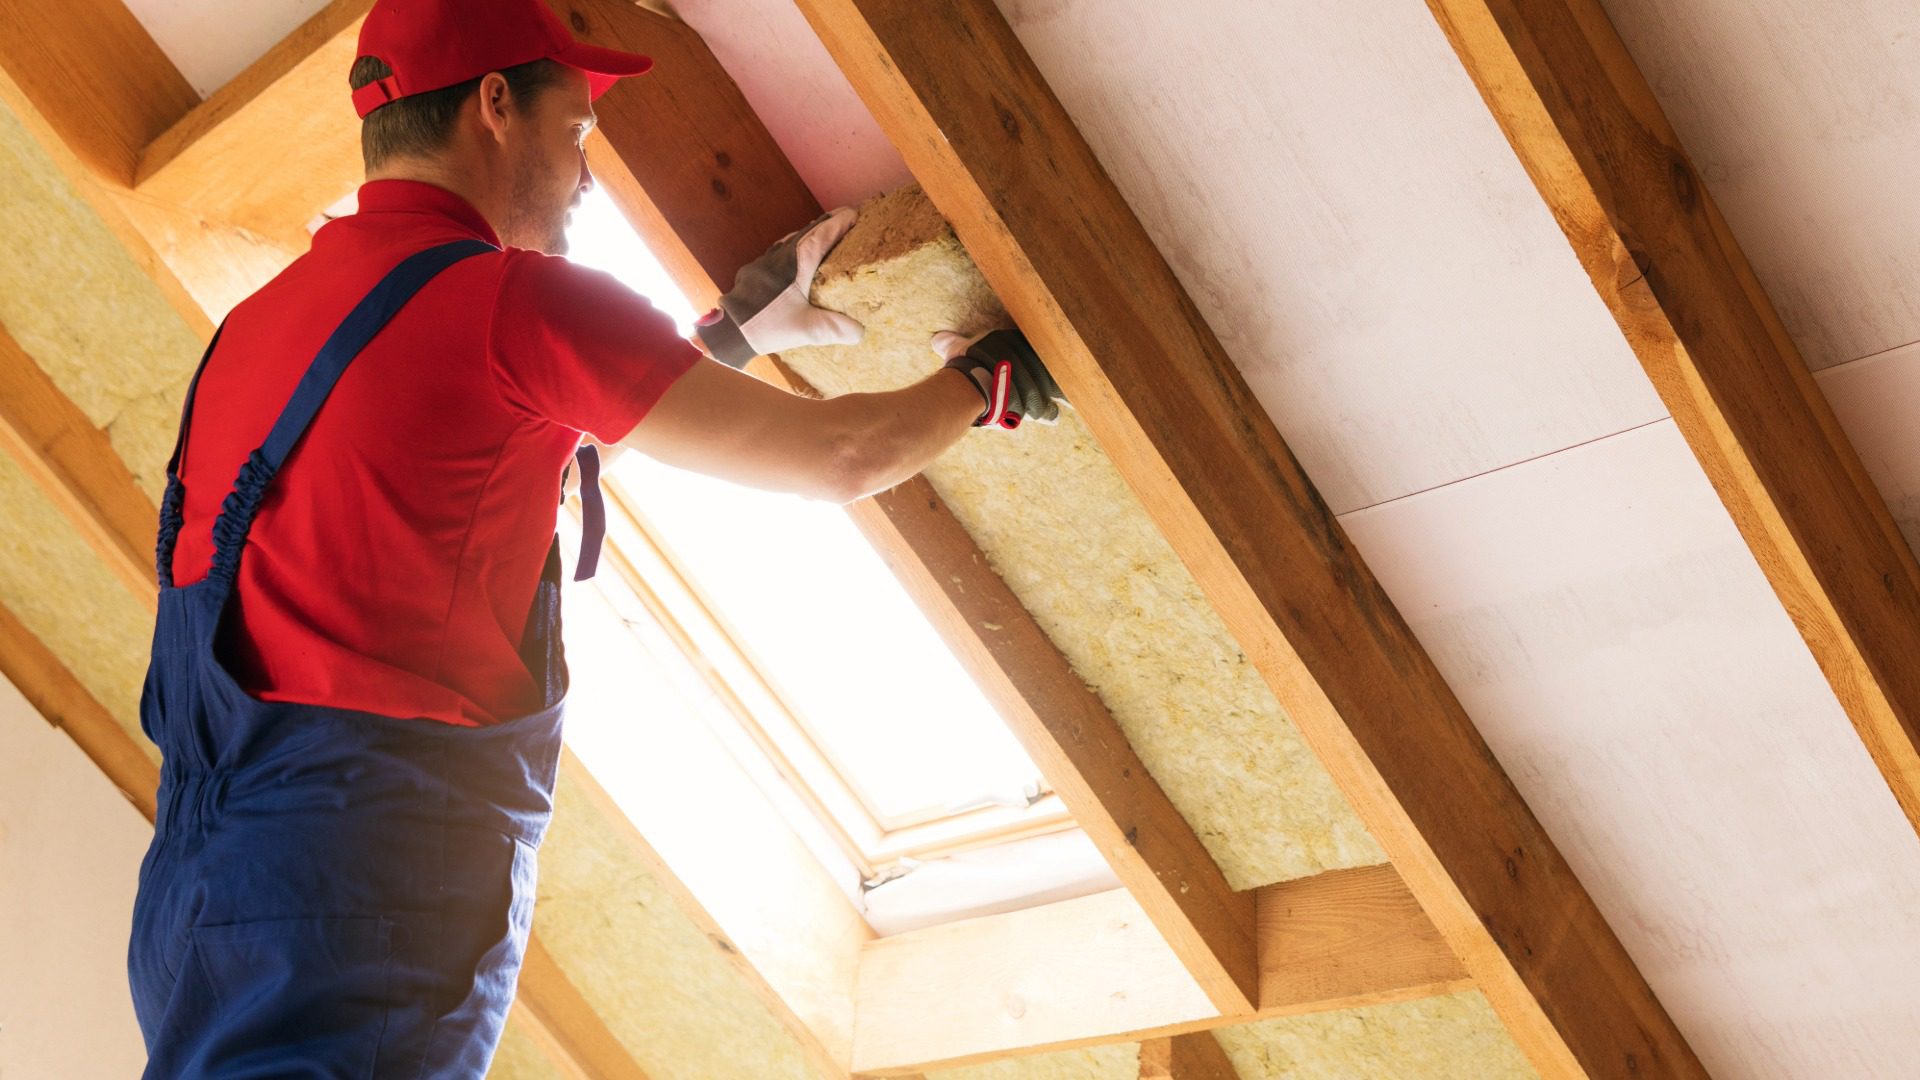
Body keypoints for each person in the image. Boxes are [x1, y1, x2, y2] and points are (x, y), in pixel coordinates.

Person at [123, 0, 1065, 1074]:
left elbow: (478, 480)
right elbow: (839, 458)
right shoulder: (512, 303)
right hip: (359, 893)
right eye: (574, 134)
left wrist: (731, 338)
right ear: (493, 107)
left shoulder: (263, 322)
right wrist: (988, 380)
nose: (582, 178)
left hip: (200, 905)